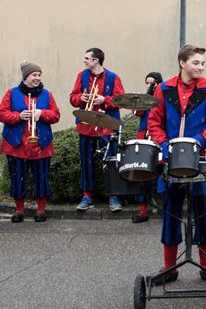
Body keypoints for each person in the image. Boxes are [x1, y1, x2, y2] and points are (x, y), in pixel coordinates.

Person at [147, 44, 206, 286]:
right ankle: (169, 268)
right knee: (170, 214)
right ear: (182, 63)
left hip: (200, 160)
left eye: (203, 63)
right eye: (196, 63)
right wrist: (164, 146)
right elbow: (155, 122)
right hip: (171, 161)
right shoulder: (164, 89)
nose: (202, 67)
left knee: (203, 213)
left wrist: (197, 142)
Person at [0, 62, 61, 223]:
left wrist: (42, 113)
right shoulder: (12, 93)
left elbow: (55, 115)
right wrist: (18, 117)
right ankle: (19, 210)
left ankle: (41, 210)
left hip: (41, 143)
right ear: (26, 77)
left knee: (41, 177)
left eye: (39, 75)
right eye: (34, 75)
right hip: (17, 144)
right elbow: (2, 114)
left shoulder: (47, 94)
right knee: (17, 177)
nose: (37, 78)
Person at [69, 47, 125, 212]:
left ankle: (113, 196)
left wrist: (104, 100)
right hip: (86, 126)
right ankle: (87, 195)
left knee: (111, 161)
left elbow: (120, 100)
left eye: (87, 58)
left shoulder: (113, 77)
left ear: (96, 61)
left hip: (106, 126)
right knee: (86, 161)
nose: (84, 61)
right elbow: (73, 97)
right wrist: (81, 98)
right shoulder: (82, 76)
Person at [131, 71, 163, 223]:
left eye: (151, 83)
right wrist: (146, 96)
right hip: (144, 134)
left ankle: (164, 205)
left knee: (162, 171)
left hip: (158, 135)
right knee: (142, 172)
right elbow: (138, 112)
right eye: (147, 83)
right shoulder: (145, 98)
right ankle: (143, 209)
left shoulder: (163, 96)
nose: (149, 85)